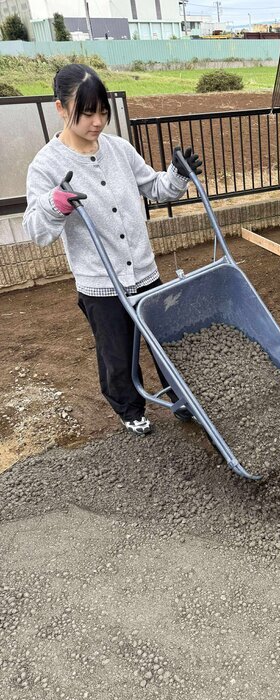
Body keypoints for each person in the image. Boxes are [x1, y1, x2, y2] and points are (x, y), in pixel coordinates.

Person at [23, 64, 202, 436]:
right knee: (117, 354)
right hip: (101, 284)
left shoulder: (119, 149)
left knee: (165, 341)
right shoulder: (46, 165)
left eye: (102, 111)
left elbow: (156, 188)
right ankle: (129, 408)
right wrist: (55, 204)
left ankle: (182, 397)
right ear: (60, 108)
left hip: (144, 272)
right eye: (86, 112)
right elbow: (37, 233)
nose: (97, 121)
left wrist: (178, 174)